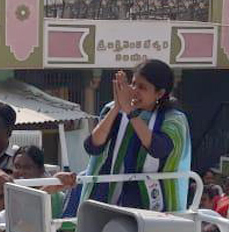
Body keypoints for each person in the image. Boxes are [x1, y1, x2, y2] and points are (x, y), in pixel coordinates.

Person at [68, 60, 191, 214]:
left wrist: (130, 112)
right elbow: (92, 146)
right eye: (133, 84)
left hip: (150, 204)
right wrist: (117, 108)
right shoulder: (114, 110)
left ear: (159, 93)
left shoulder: (173, 120)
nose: (134, 91)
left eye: (142, 87)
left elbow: (158, 148)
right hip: (107, 196)